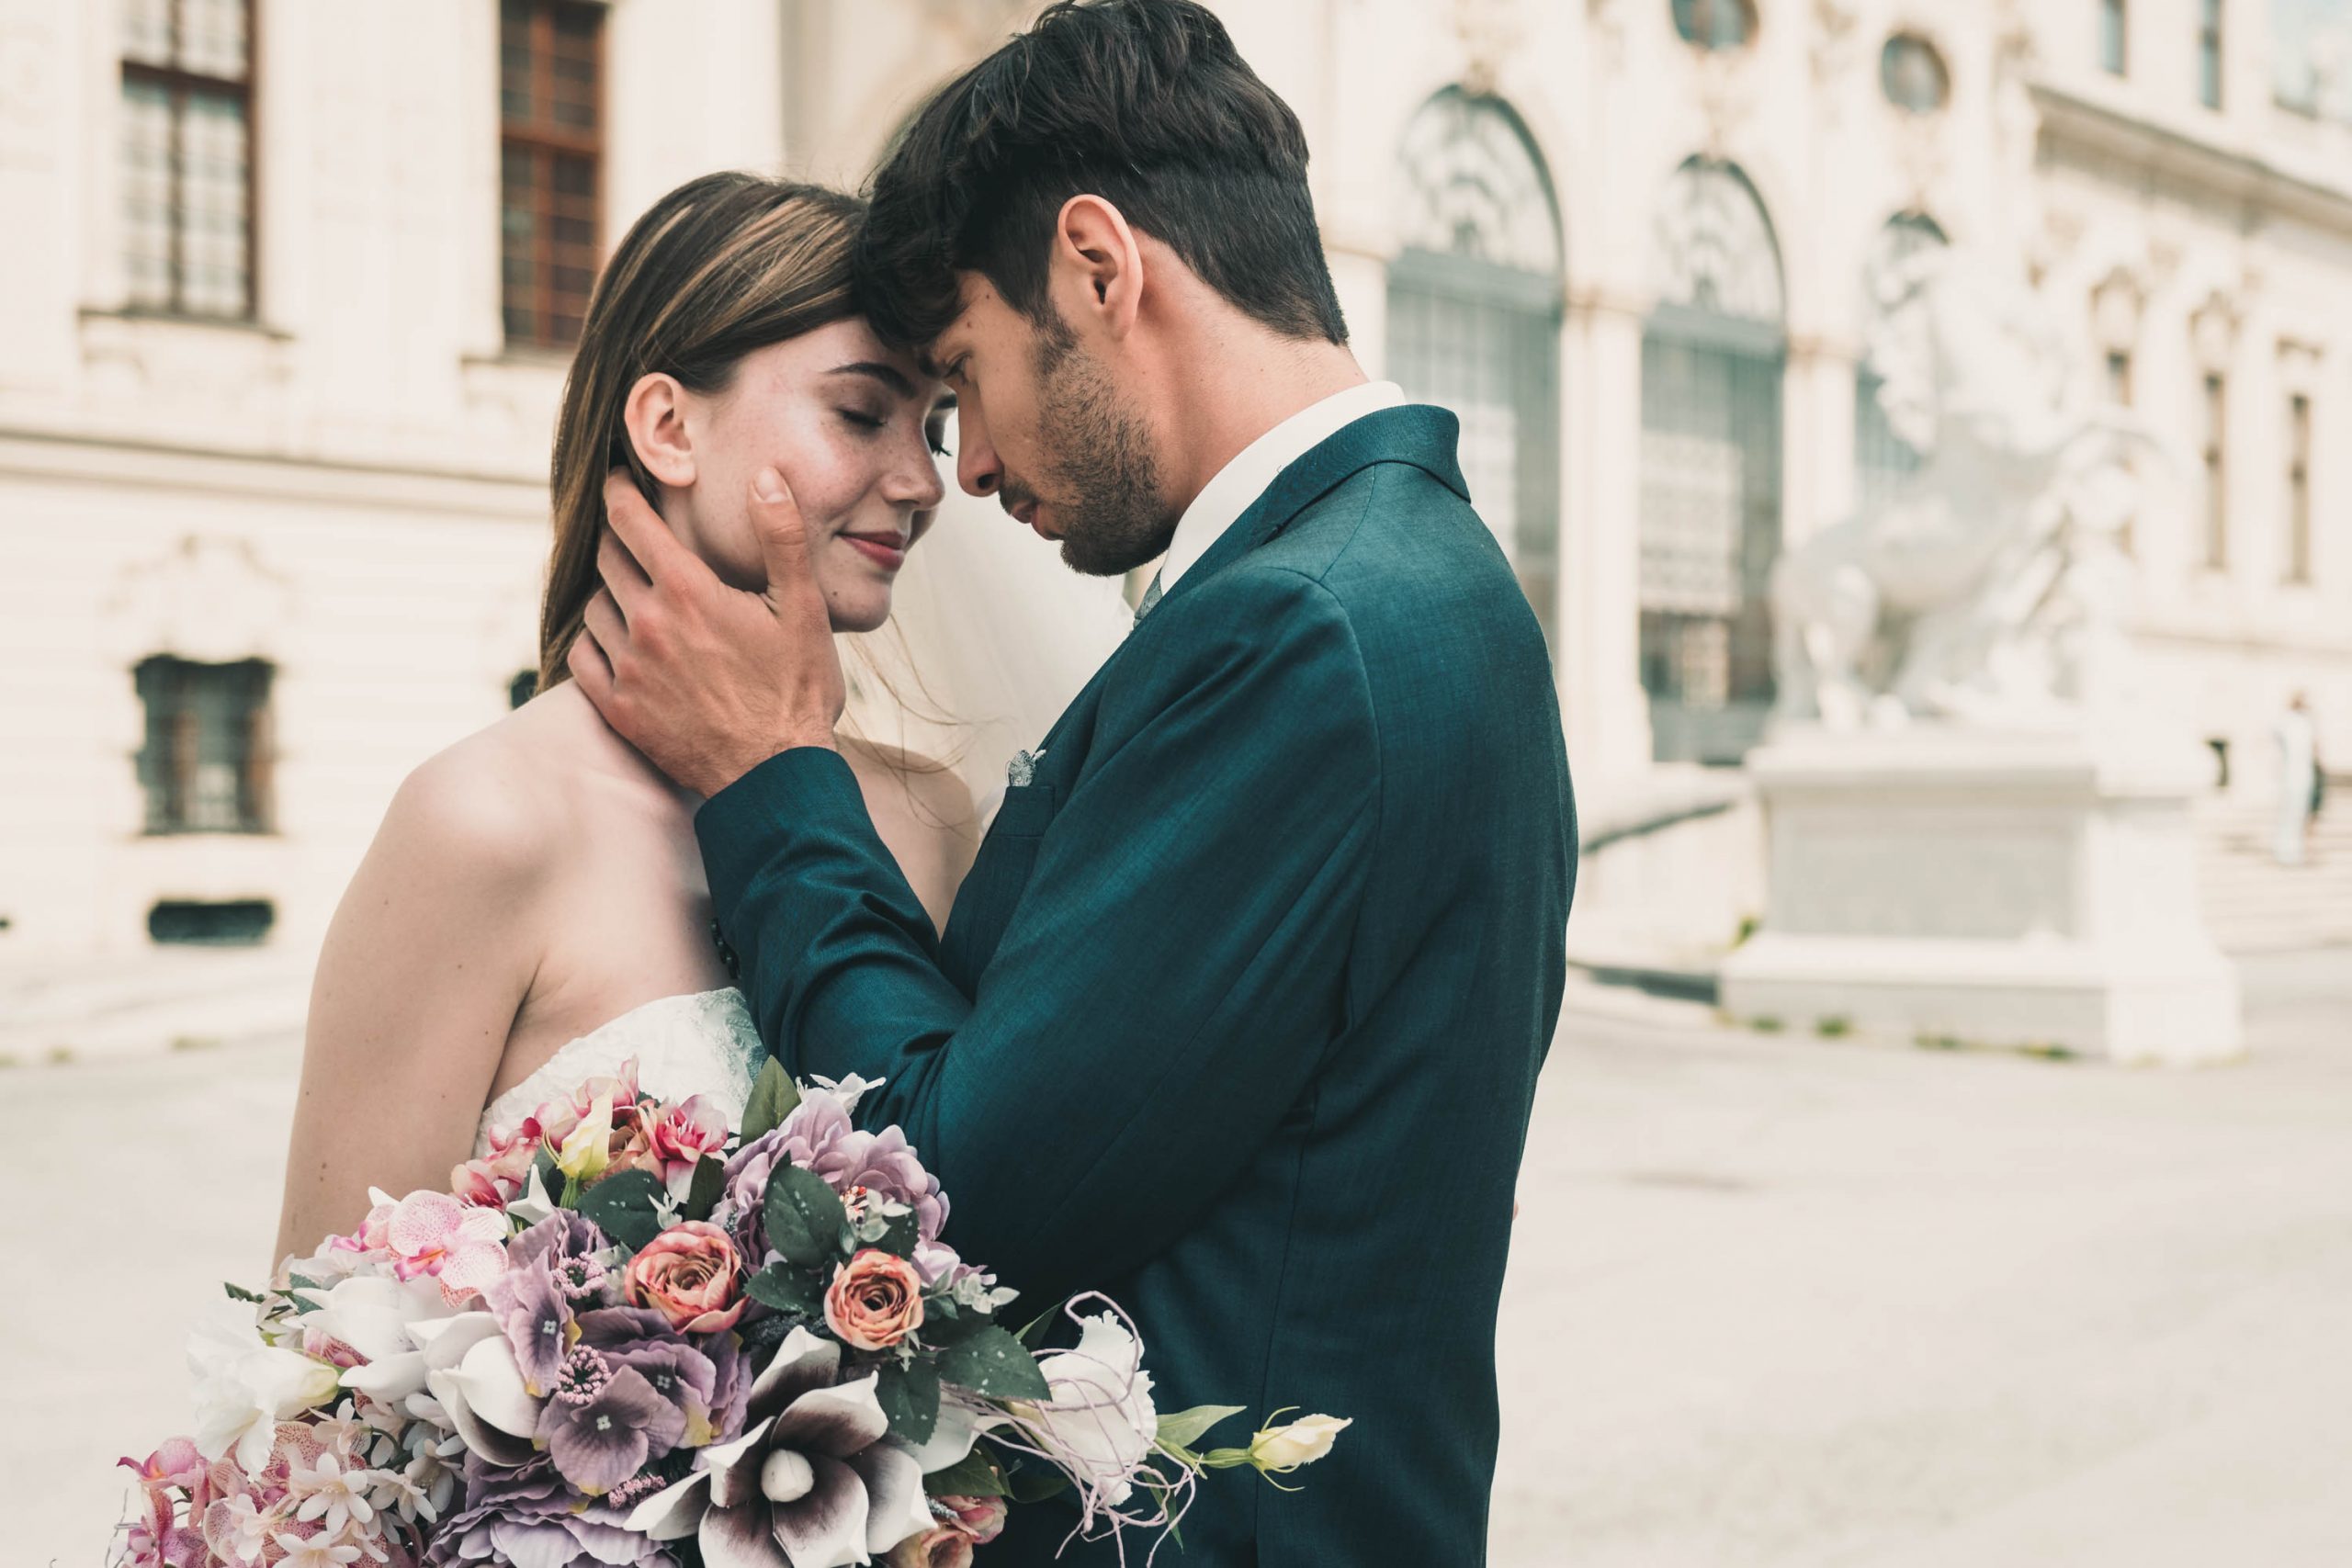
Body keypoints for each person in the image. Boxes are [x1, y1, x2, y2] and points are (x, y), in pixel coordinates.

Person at [569, 4, 1577, 1562]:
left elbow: (963, 1183)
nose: (958, 474)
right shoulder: (1416, 574)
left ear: (1100, 270)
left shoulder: (1302, 628)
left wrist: (769, 769)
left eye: (961, 380)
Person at [273, 173, 1127, 1262]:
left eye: (936, 423)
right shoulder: (480, 823)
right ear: (668, 427)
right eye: (863, 413)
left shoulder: (932, 815)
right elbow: (323, 1349)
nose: (922, 479)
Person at [2274, 692, 2318, 867]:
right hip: (2291, 773)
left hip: (2303, 773)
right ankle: (2285, 851)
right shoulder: (2287, 722)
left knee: (2300, 813)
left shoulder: (2306, 722)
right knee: (2289, 813)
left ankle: (2295, 851)